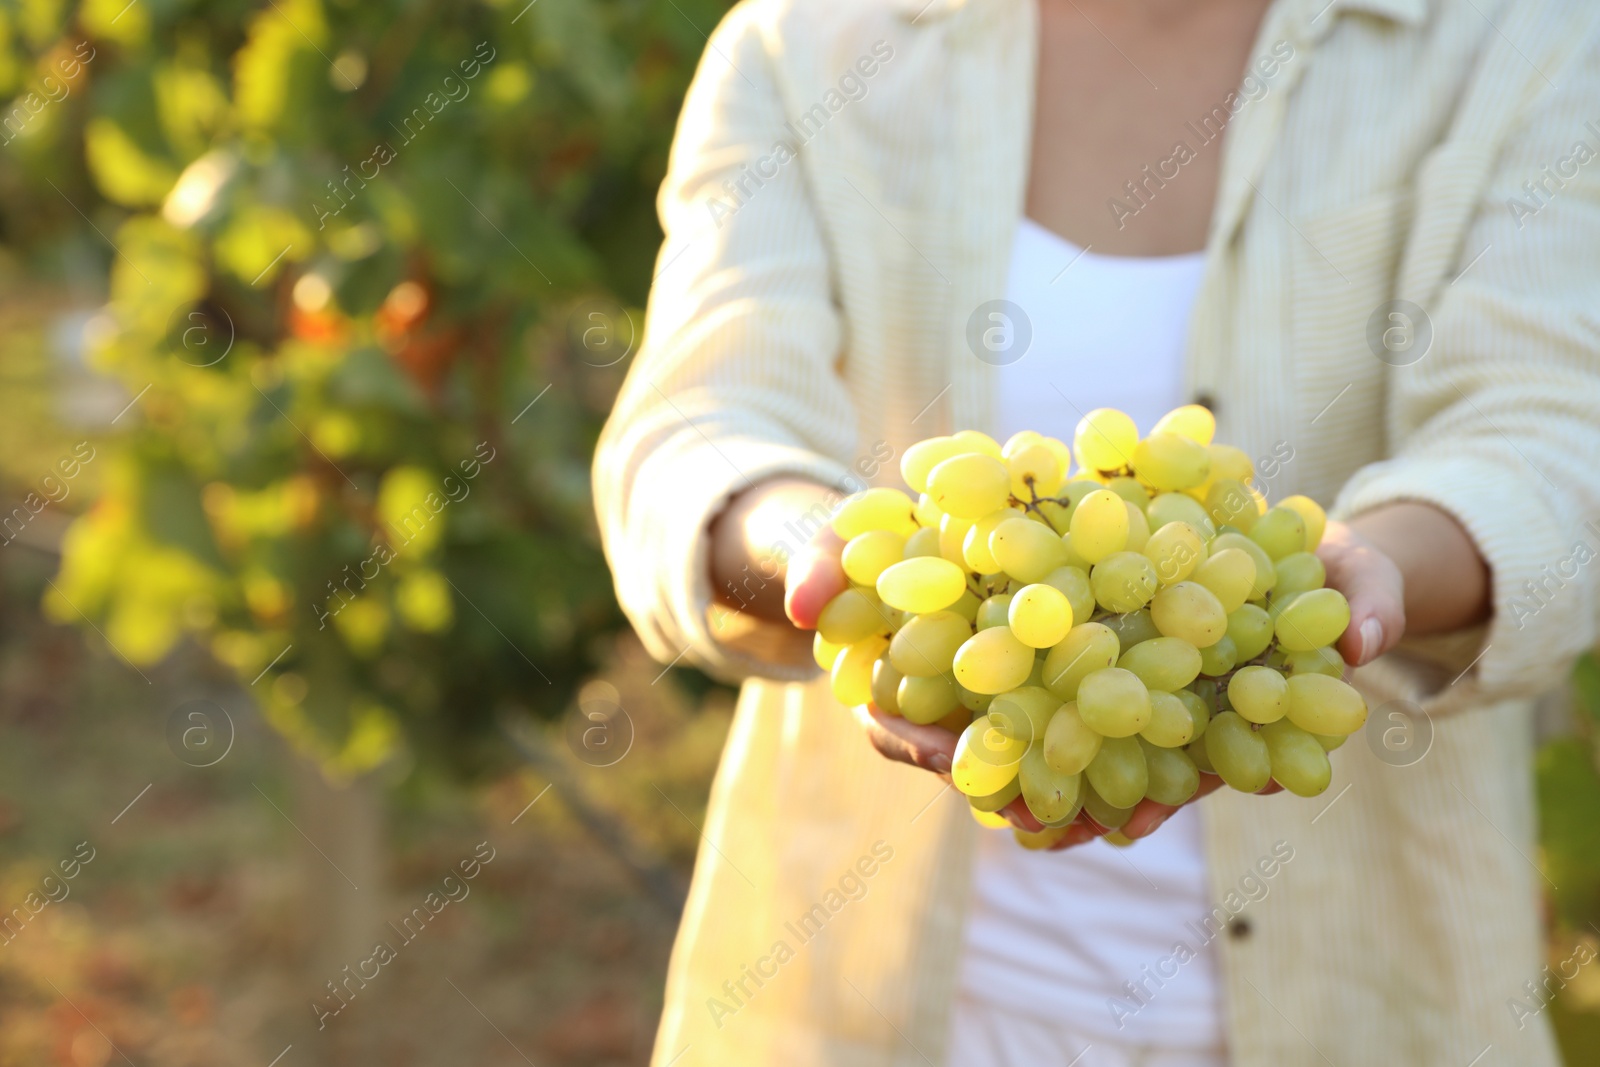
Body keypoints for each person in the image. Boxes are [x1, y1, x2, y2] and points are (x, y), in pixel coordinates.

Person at [593, 0, 1600, 1063]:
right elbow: (693, 426)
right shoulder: (810, 42)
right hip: (876, 1012)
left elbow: (1553, 444)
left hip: (1367, 1009)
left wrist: (1377, 567)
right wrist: (815, 554)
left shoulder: (1520, 36)